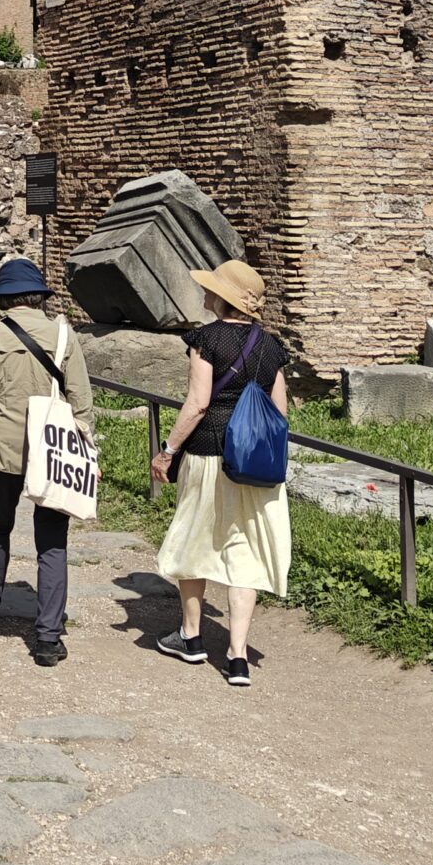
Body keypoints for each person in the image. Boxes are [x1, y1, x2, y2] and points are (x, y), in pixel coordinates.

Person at [150, 259, 292, 688]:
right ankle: (237, 657)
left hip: (209, 452)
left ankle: (191, 637)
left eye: (210, 289)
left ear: (222, 298)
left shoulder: (206, 340)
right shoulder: (270, 347)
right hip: (253, 462)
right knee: (245, 551)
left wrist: (167, 450)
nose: (205, 294)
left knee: (195, 537)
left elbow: (197, 403)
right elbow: (280, 411)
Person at [0, 257, 91, 667]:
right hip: (52, 451)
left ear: (4, 298)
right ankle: (48, 638)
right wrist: (86, 455)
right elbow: (81, 402)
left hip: (4, 448)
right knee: (52, 542)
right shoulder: (63, 336)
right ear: (39, 297)